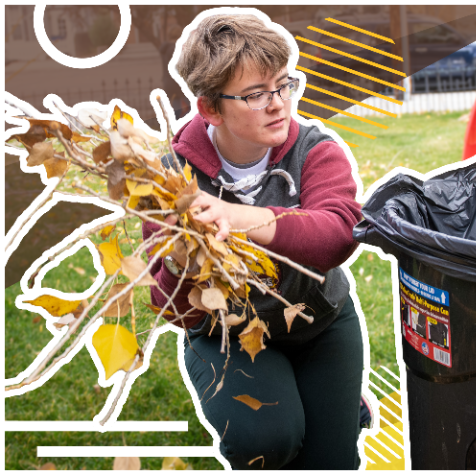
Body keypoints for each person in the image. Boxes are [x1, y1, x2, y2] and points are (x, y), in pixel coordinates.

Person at [143, 13, 368, 470]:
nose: (278, 104)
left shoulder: (315, 150)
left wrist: (240, 217)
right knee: (266, 441)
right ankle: (291, 407)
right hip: (226, 336)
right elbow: (172, 309)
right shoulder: (170, 179)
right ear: (210, 109)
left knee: (330, 463)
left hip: (319, 325)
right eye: (255, 94)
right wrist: (181, 263)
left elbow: (337, 235)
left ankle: (336, 404)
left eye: (284, 85)